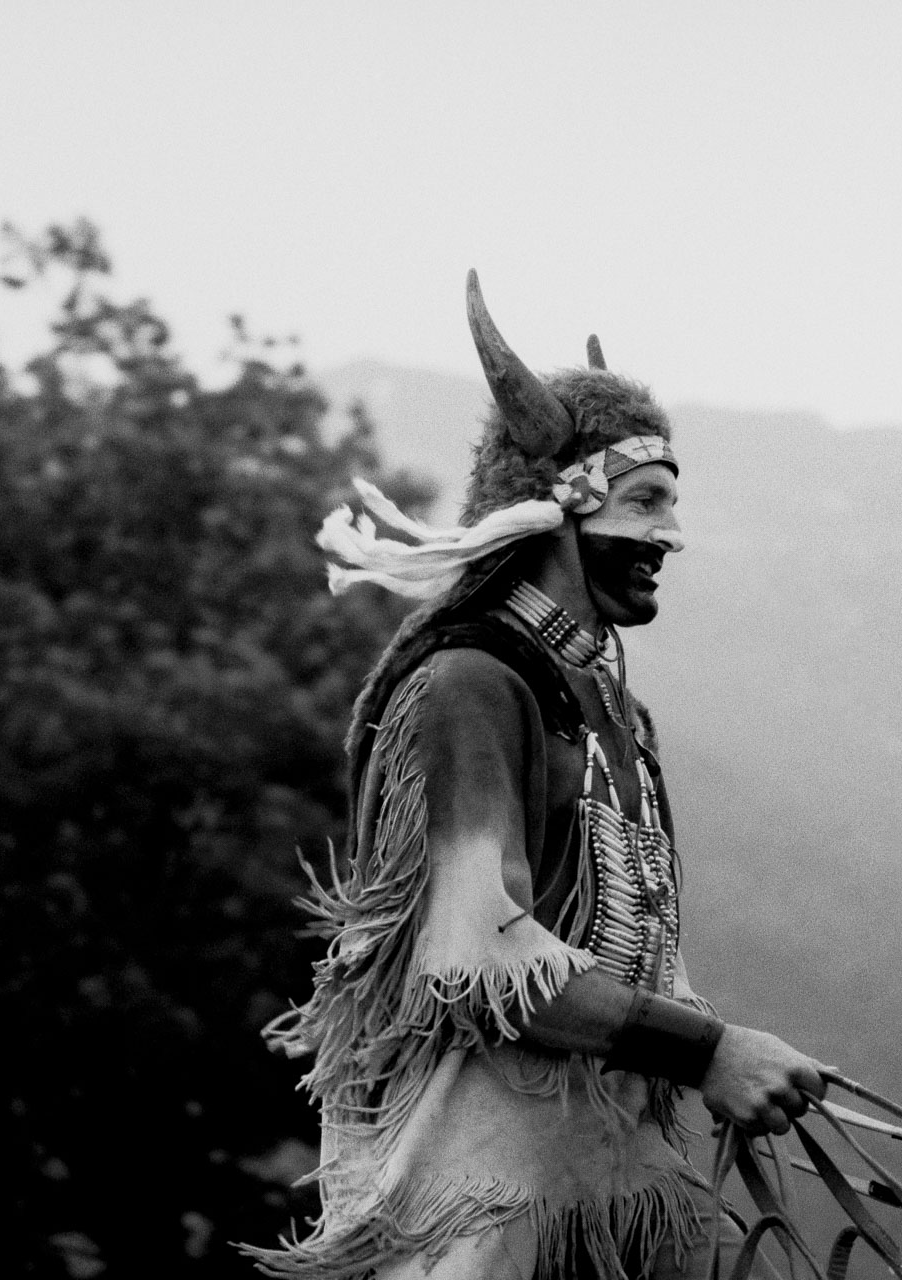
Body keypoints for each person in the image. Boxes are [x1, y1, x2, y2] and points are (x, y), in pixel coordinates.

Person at [245, 274, 824, 1280]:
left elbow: (632, 954)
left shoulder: (616, 710)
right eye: (645, 503)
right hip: (493, 1195)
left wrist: (725, 1052)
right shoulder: (469, 685)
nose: (671, 537)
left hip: (622, 1171)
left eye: (673, 505)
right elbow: (480, 959)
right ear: (557, 509)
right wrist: (711, 1051)